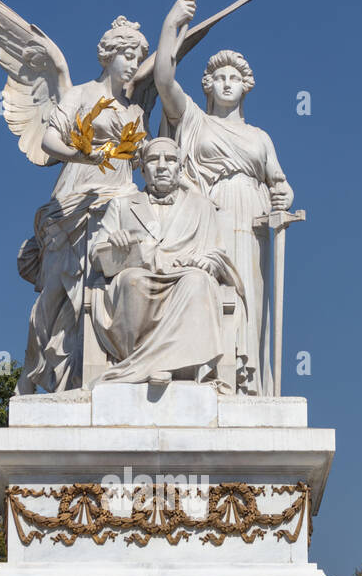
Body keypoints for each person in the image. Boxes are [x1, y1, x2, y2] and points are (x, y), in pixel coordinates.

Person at [154, 0, 294, 394]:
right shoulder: (194, 119)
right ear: (208, 86)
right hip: (209, 214)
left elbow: (280, 183)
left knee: (248, 296)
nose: (227, 82)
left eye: (234, 77)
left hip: (251, 218)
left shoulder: (259, 138)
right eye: (219, 77)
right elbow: (163, 78)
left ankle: (245, 380)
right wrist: (172, 23)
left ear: (245, 87)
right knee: (208, 286)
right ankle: (208, 370)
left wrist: (281, 198)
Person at [18, 16, 149, 393]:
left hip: (120, 201)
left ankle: (90, 375)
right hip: (78, 199)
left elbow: (149, 155)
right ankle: (29, 377)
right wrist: (86, 154)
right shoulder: (80, 94)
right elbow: (49, 142)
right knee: (56, 295)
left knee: (105, 290)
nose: (132, 63)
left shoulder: (136, 112)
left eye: (138, 56)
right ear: (108, 56)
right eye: (126, 54)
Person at [89, 137, 248, 388]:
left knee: (198, 281)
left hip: (184, 275)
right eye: (153, 160)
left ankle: (168, 365)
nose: (162, 166)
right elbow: (96, 257)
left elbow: (217, 253)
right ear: (142, 170)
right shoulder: (121, 206)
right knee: (132, 281)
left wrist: (208, 261)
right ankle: (141, 363)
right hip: (139, 277)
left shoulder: (202, 207)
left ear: (180, 169)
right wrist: (114, 244)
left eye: (170, 160)